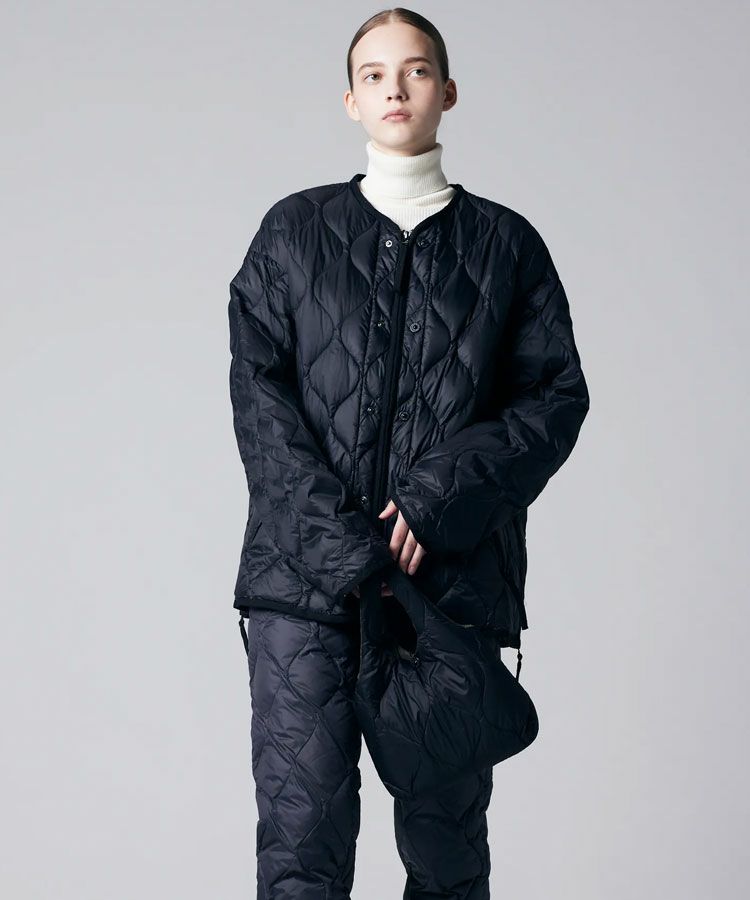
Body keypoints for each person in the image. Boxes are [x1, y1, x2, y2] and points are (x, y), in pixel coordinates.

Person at [228, 8, 589, 898]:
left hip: (449, 594)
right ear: (351, 99)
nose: (396, 87)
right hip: (303, 593)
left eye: (417, 70)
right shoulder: (293, 232)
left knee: (447, 856)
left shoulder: (506, 245)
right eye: (375, 73)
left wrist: (434, 501)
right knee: (302, 849)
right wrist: (346, 550)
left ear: (448, 91)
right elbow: (261, 401)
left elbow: (553, 399)